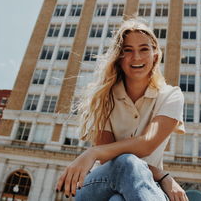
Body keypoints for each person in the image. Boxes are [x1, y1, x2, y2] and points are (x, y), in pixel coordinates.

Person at [56, 18, 188, 201]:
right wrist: (164, 176)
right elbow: (111, 162)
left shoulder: (171, 96)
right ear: (119, 58)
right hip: (101, 183)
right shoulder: (103, 98)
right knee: (126, 163)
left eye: (144, 49)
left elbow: (146, 143)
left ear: (155, 55)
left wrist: (92, 152)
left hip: (147, 187)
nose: (136, 57)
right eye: (128, 50)